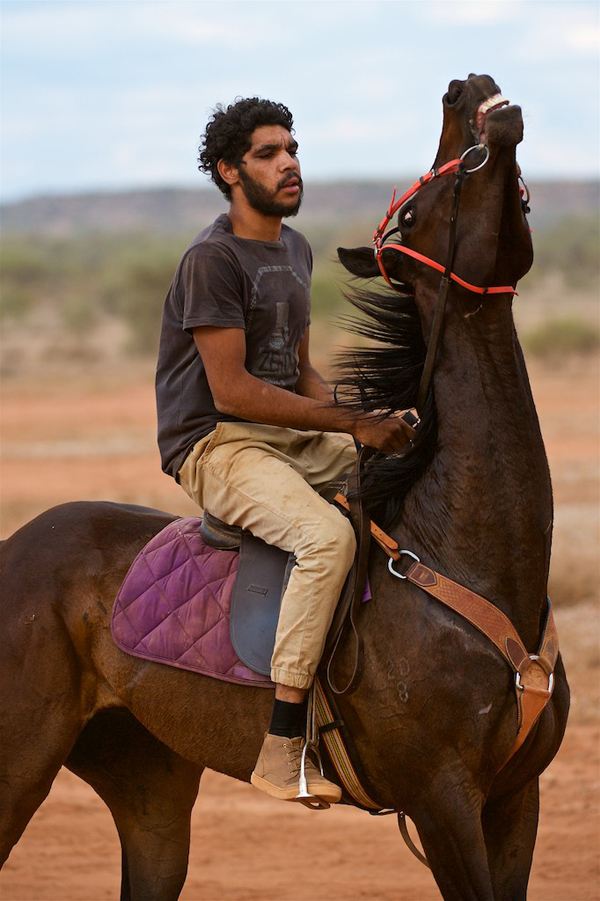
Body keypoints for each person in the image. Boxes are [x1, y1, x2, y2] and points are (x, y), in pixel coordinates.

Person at [155, 97, 414, 806]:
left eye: (292, 148)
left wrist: (362, 424)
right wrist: (349, 423)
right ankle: (281, 742)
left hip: (286, 436)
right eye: (268, 153)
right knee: (326, 538)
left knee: (405, 471)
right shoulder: (212, 259)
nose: (289, 162)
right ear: (229, 171)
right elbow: (234, 390)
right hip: (216, 442)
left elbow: (296, 370)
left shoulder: (295, 249)